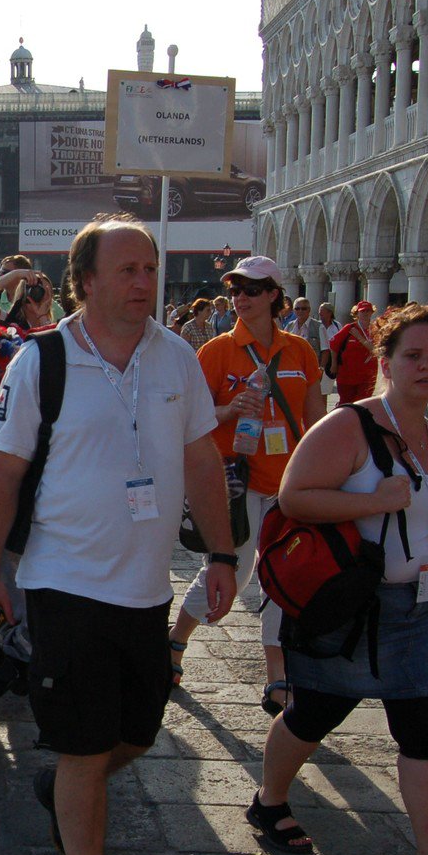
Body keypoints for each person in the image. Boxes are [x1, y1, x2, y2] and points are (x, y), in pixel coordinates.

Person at [0, 218, 231, 855]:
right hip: (65, 582)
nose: (144, 281)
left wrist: (220, 550)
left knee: (139, 733)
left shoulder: (177, 357)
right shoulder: (41, 361)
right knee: (87, 743)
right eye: (127, 268)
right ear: (84, 280)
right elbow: (5, 475)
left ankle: (63, 785)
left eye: (149, 267)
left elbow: (203, 460)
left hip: (147, 589)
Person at [247, 304, 428, 855]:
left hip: (424, 608)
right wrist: (374, 498)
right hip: (356, 609)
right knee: (313, 715)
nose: (427, 367)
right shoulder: (349, 426)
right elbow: (293, 497)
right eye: (412, 356)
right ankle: (269, 800)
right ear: (385, 362)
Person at [168, 257, 323, 708]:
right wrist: (231, 410)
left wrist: (326, 474)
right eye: (234, 290)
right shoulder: (217, 350)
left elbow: (316, 421)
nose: (240, 298)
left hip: (290, 481)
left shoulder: (300, 351)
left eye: (251, 290)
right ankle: (177, 640)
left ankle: (277, 670)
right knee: (232, 568)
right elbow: (189, 419)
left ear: (274, 294)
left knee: (284, 575)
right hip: (236, 479)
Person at [330, 300, 378, 404]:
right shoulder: (349, 328)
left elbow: (376, 350)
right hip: (347, 374)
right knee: (345, 403)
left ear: (372, 312)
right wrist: (333, 364)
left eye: (368, 311)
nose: (365, 313)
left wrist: (359, 337)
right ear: (357, 313)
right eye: (362, 311)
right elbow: (334, 345)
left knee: (363, 403)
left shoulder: (375, 329)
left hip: (367, 375)